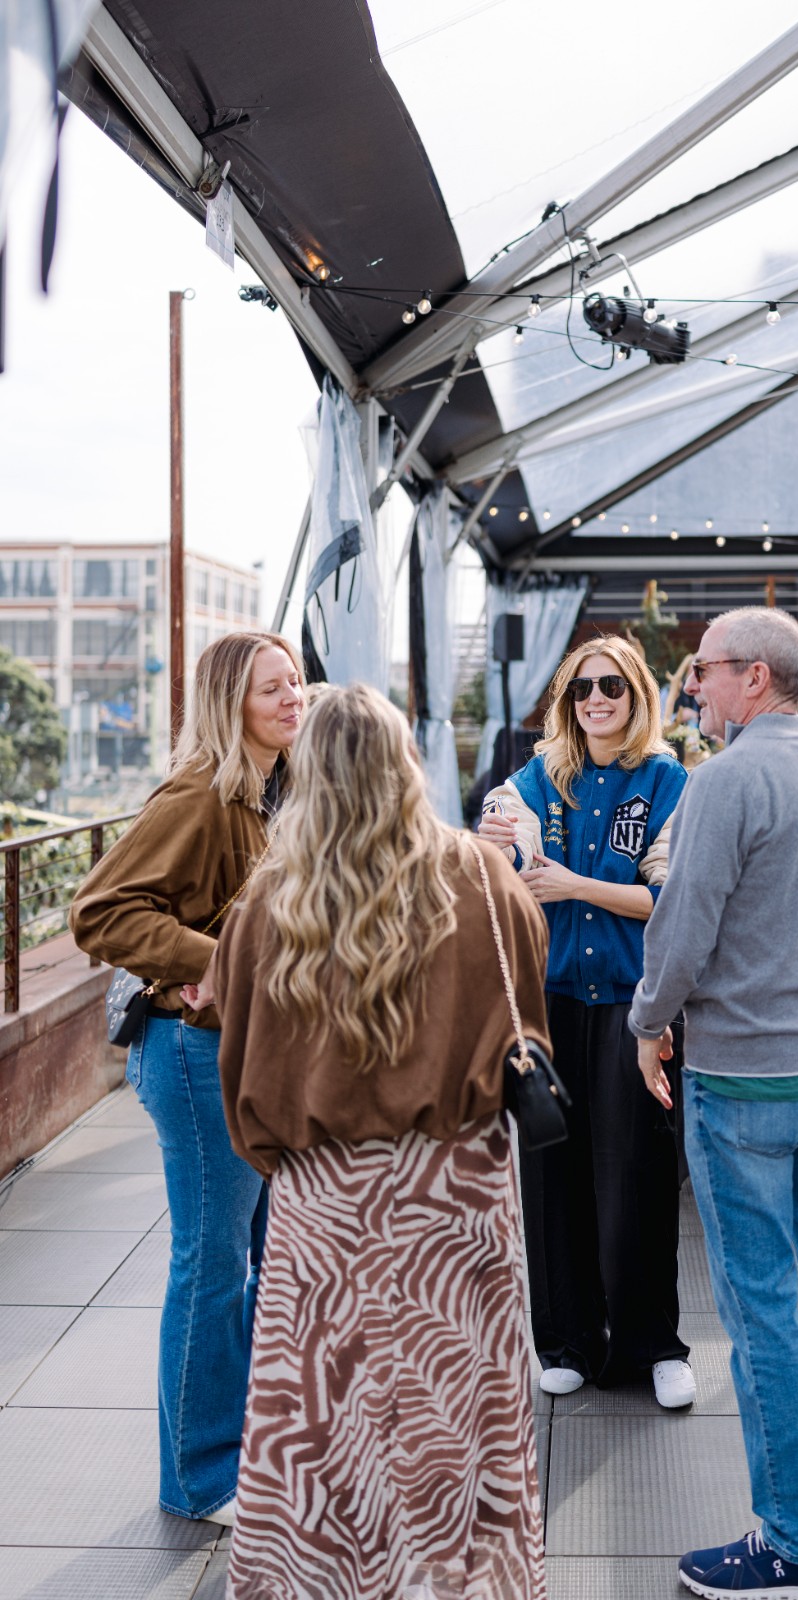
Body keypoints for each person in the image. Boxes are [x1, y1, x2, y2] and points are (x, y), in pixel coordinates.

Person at [210, 685, 549, 1600]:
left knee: (323, 1410)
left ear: (308, 772)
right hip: (458, 1192)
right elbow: (529, 1021)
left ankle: (325, 1579)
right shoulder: (482, 880)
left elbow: (242, 1072)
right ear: (407, 764)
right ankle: (462, 1579)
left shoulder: (265, 907)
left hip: (325, 1199)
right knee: (458, 1400)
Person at [629, 606, 798, 1600]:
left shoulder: (725, 780)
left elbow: (683, 923)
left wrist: (646, 1024)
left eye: (698, 671)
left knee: (760, 1311)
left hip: (738, 1076)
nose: (689, 687)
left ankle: (795, 1544)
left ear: (752, 676)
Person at [70, 632, 305, 1525]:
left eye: (296, 684)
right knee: (211, 1266)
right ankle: (198, 1477)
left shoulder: (270, 789)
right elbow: (100, 908)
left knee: (240, 1264)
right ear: (228, 705)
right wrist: (221, 959)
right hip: (192, 1053)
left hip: (238, 1050)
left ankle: (238, 1451)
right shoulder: (201, 795)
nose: (292, 700)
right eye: (271, 689)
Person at [479, 636, 694, 1409]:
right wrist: (500, 846)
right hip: (549, 1001)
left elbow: (671, 900)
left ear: (637, 694)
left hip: (636, 1006)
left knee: (636, 1170)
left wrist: (573, 884)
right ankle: (566, 1337)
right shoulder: (535, 781)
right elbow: (503, 844)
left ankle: (652, 1344)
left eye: (611, 686)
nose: (596, 700)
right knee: (551, 1170)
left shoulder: (671, 783)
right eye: (580, 688)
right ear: (565, 700)